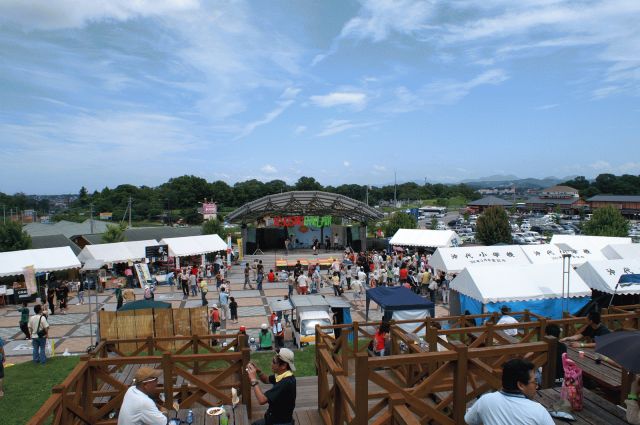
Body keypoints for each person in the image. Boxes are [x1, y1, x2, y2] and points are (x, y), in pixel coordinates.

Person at [464, 358, 554, 425]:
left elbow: (468, 420)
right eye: (534, 382)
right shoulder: (538, 411)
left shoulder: (485, 400)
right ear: (521, 385)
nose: (536, 386)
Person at [246, 348, 296, 425]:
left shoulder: (285, 383)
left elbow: (262, 400)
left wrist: (253, 379)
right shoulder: (284, 375)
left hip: (279, 423)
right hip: (275, 419)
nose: (271, 363)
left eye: (274, 362)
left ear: (283, 366)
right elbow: (266, 380)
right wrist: (258, 371)